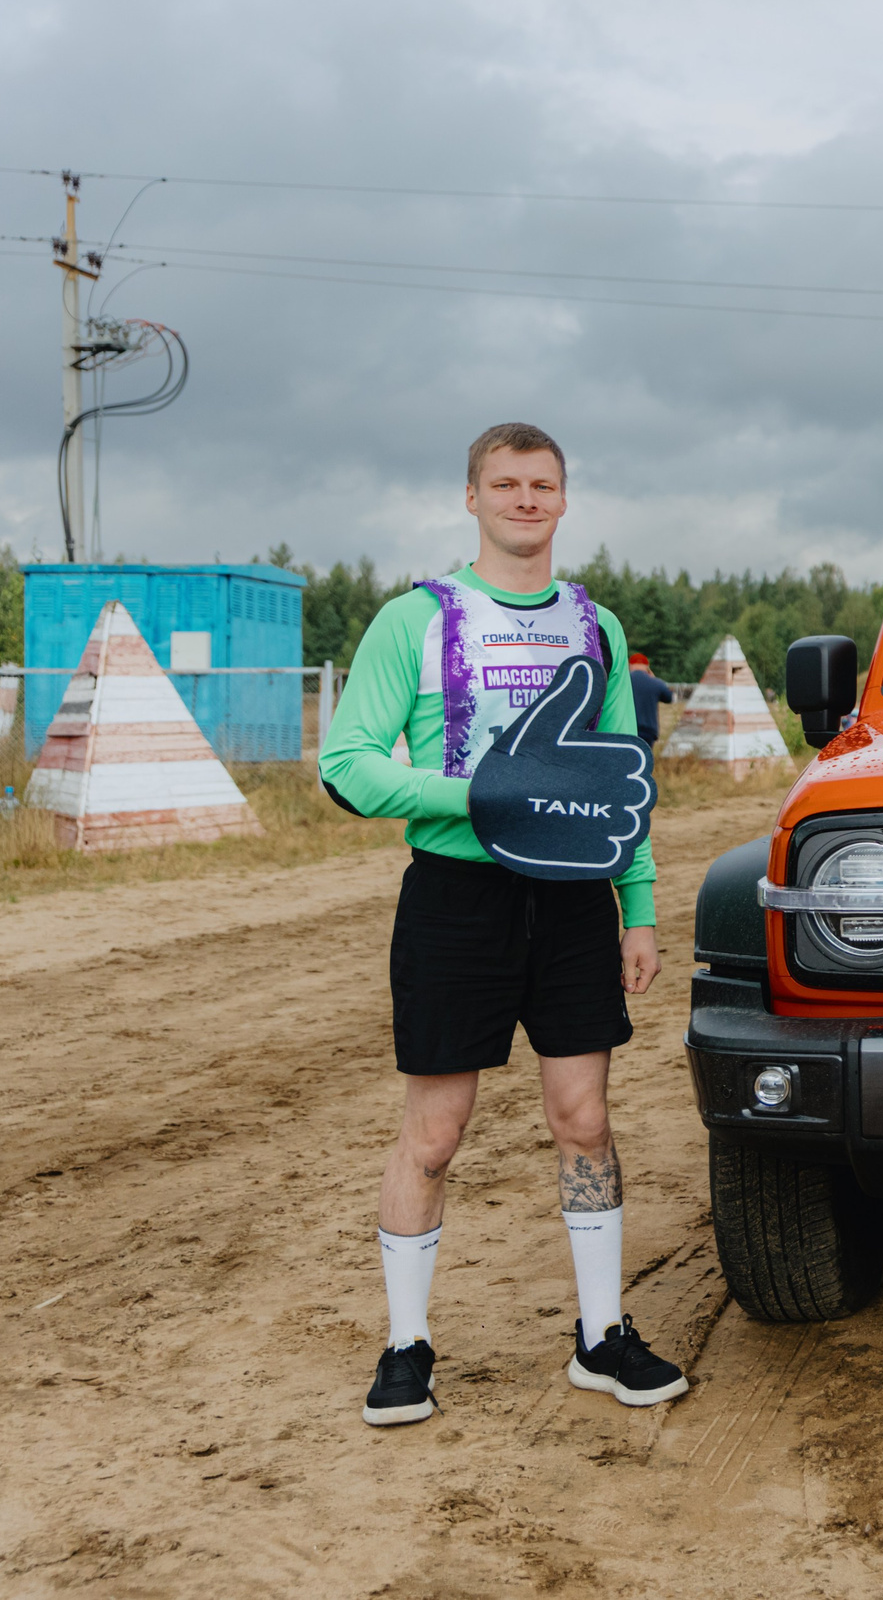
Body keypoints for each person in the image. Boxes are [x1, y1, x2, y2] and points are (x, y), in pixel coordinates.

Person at [319, 422, 690, 1429]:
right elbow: (348, 762)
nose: (525, 500)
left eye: (543, 485)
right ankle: (405, 1346)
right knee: (434, 1134)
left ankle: (601, 1333)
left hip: (573, 901)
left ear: (563, 501)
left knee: (585, 1119)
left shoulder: (595, 625)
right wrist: (479, 793)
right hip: (455, 897)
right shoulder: (414, 618)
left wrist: (641, 907)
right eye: (505, 483)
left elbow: (619, 784)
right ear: (471, 497)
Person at [628, 652, 673, 748]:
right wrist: (653, 678)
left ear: (630, 665)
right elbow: (669, 698)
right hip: (648, 730)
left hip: (628, 728)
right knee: (646, 759)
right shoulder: (655, 683)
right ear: (647, 666)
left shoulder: (624, 681)